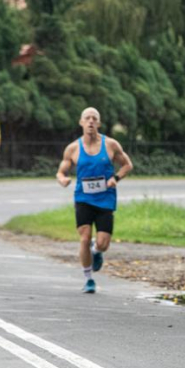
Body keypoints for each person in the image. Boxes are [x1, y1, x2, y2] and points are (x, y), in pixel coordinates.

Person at [56, 107, 133, 294]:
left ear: (98, 123)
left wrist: (115, 178)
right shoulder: (73, 148)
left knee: (103, 243)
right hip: (83, 198)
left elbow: (127, 165)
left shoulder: (111, 145)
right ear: (81, 122)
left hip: (105, 199)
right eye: (87, 118)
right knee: (83, 238)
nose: (91, 121)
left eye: (94, 118)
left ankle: (96, 251)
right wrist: (63, 179)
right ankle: (88, 279)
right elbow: (61, 171)